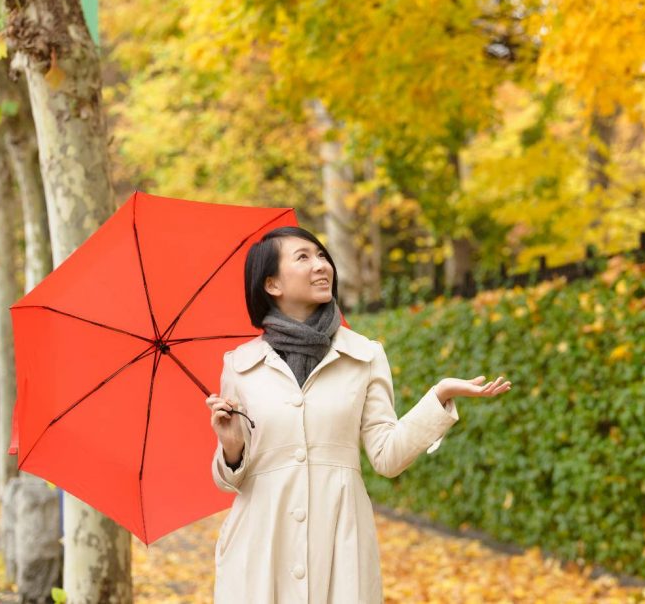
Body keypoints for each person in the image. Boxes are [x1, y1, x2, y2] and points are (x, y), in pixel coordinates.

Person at [204, 226, 512, 603]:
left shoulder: (364, 355)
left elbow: (387, 456)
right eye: (303, 257)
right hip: (261, 544)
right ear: (272, 284)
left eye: (321, 256)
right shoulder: (240, 365)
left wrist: (439, 396)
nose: (321, 266)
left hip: (340, 538)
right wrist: (232, 447)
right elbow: (233, 481)